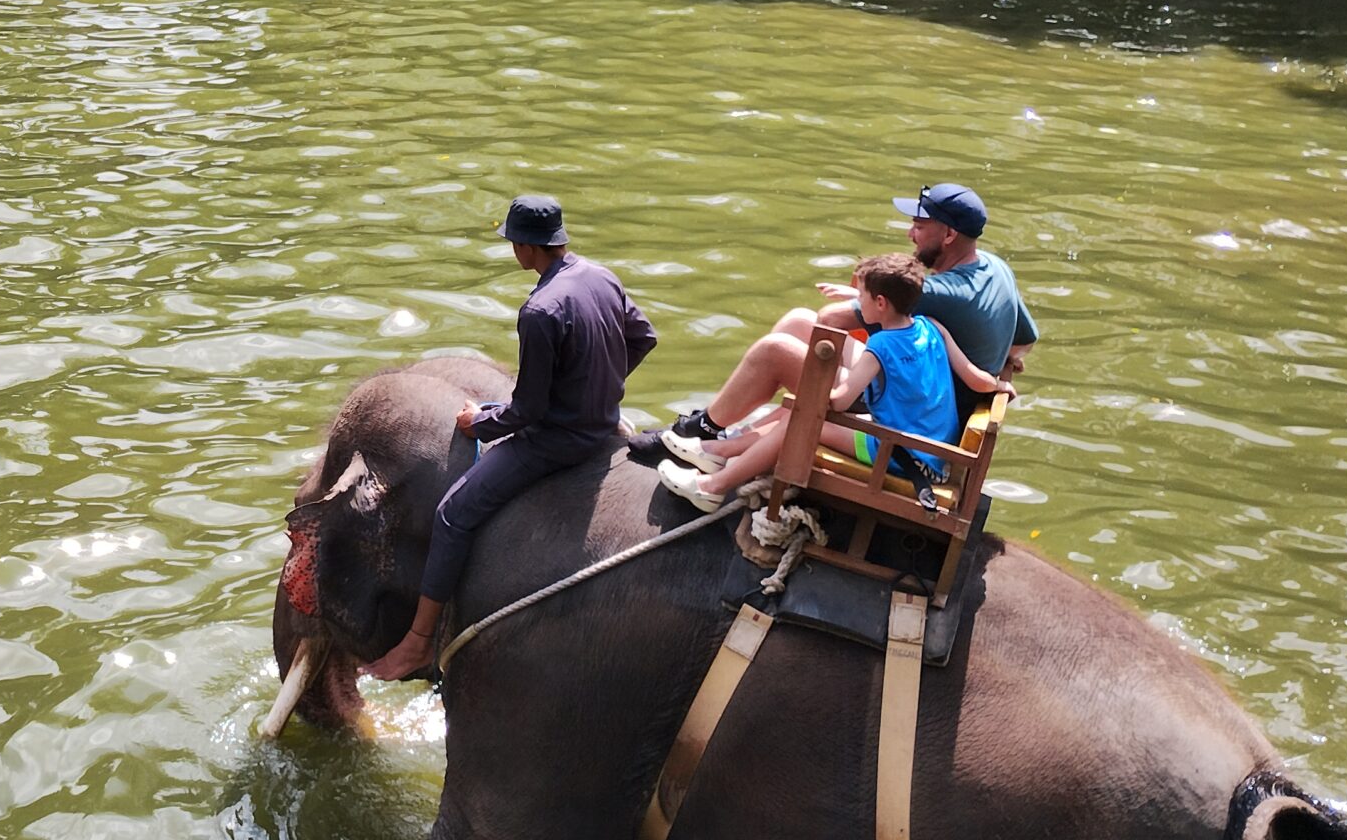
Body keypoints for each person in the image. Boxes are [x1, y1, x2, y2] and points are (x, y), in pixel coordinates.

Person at [362, 196, 657, 683]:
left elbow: (529, 411)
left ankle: (417, 643)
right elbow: (643, 337)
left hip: (559, 441)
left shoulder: (540, 311)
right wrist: (599, 389)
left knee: (453, 515)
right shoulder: (601, 276)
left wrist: (480, 422)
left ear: (525, 247)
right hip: (604, 423)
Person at [652, 180, 1038, 459]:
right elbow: (1025, 340)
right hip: (926, 397)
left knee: (778, 349)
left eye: (920, 227)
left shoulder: (936, 293)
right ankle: (729, 427)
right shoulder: (995, 268)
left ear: (950, 233)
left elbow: (831, 319)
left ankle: (705, 433)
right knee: (797, 322)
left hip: (905, 418)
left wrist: (862, 299)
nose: (910, 234)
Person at [655, 253, 1010, 514]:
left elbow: (840, 402)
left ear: (881, 303)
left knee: (806, 419)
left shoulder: (881, 347)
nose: (859, 304)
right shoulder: (932, 327)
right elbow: (977, 379)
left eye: (863, 298)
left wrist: (811, 389)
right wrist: (1001, 387)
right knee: (806, 412)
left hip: (898, 453)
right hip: (931, 452)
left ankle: (713, 486)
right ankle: (722, 453)